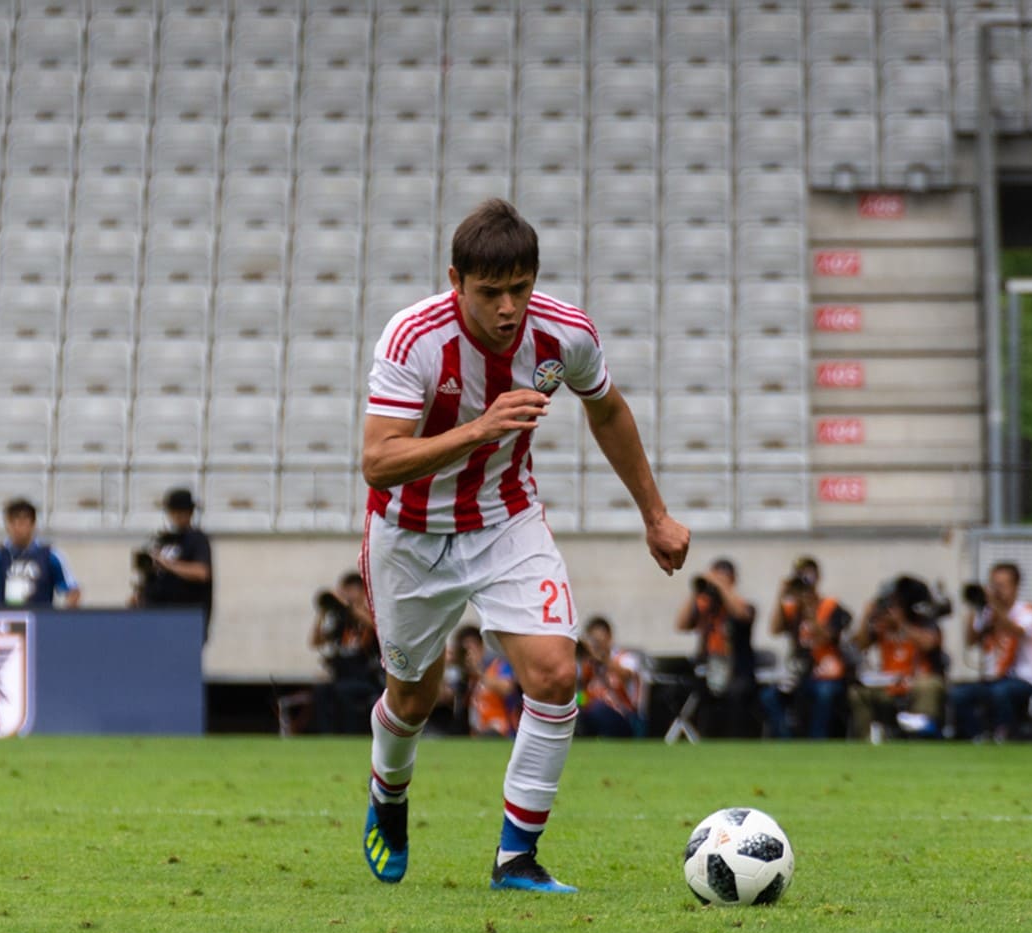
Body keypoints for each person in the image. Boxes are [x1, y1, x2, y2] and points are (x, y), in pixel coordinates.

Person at [357, 199, 690, 893]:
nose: (508, 308)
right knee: (413, 700)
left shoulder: (564, 334)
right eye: (489, 293)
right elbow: (378, 462)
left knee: (552, 675)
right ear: (456, 280)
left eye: (520, 288)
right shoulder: (413, 337)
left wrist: (654, 515)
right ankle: (388, 794)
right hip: (410, 533)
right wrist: (479, 429)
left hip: (505, 519)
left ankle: (517, 859)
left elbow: (607, 410)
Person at [950, 562, 1032, 742]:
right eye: (994, 585)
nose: (997, 591)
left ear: (1015, 587)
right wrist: (975, 607)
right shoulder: (988, 613)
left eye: (1001, 586)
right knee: (958, 694)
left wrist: (993, 605)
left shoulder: (1027, 612)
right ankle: (977, 736)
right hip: (994, 679)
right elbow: (971, 640)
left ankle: (1006, 735)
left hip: (1023, 680)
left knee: (1000, 692)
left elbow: (1015, 630)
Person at [847, 581, 946, 740]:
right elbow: (859, 644)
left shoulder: (923, 622)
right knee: (858, 693)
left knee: (928, 686)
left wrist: (901, 624)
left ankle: (921, 736)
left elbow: (928, 643)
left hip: (917, 680)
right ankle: (865, 740)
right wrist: (866, 617)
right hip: (889, 682)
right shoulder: (883, 625)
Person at [676, 558, 761, 739]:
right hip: (709, 669)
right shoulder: (706, 608)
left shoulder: (743, 605)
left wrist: (722, 586)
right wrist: (696, 592)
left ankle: (735, 740)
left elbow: (741, 614)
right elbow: (681, 624)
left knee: (737, 694)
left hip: (737, 671)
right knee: (686, 691)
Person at [768, 557, 849, 739]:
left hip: (826, 672)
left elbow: (826, 636)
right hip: (799, 671)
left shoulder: (830, 605)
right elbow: (774, 629)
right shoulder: (791, 607)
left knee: (824, 694)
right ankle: (785, 738)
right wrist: (781, 595)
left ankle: (817, 739)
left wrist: (809, 608)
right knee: (770, 696)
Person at [0, 498, 81, 609]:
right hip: (4, 621)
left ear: (33, 524)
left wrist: (62, 617)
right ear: (7, 525)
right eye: (14, 522)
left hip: (40, 620)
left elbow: (73, 590)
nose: (19, 527)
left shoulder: (50, 555)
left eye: (24, 522)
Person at [133, 488, 213, 639]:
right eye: (173, 512)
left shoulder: (196, 539)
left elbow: (201, 572)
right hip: (156, 614)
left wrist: (168, 564)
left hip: (185, 617)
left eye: (180, 511)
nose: (175, 516)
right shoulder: (161, 539)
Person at [310, 571, 382, 735]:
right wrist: (323, 612)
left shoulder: (371, 614)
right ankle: (326, 735)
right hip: (342, 676)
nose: (346, 594)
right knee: (322, 690)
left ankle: (350, 735)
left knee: (343, 691)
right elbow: (316, 642)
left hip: (366, 676)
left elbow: (375, 627)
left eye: (350, 590)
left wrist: (350, 606)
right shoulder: (340, 620)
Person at [575, 616, 641, 738]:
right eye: (593, 641)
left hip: (622, 715)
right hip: (592, 712)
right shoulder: (586, 665)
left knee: (598, 708)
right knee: (574, 705)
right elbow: (582, 694)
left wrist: (602, 659)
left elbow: (626, 674)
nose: (596, 645)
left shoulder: (625, 658)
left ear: (609, 637)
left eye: (599, 640)